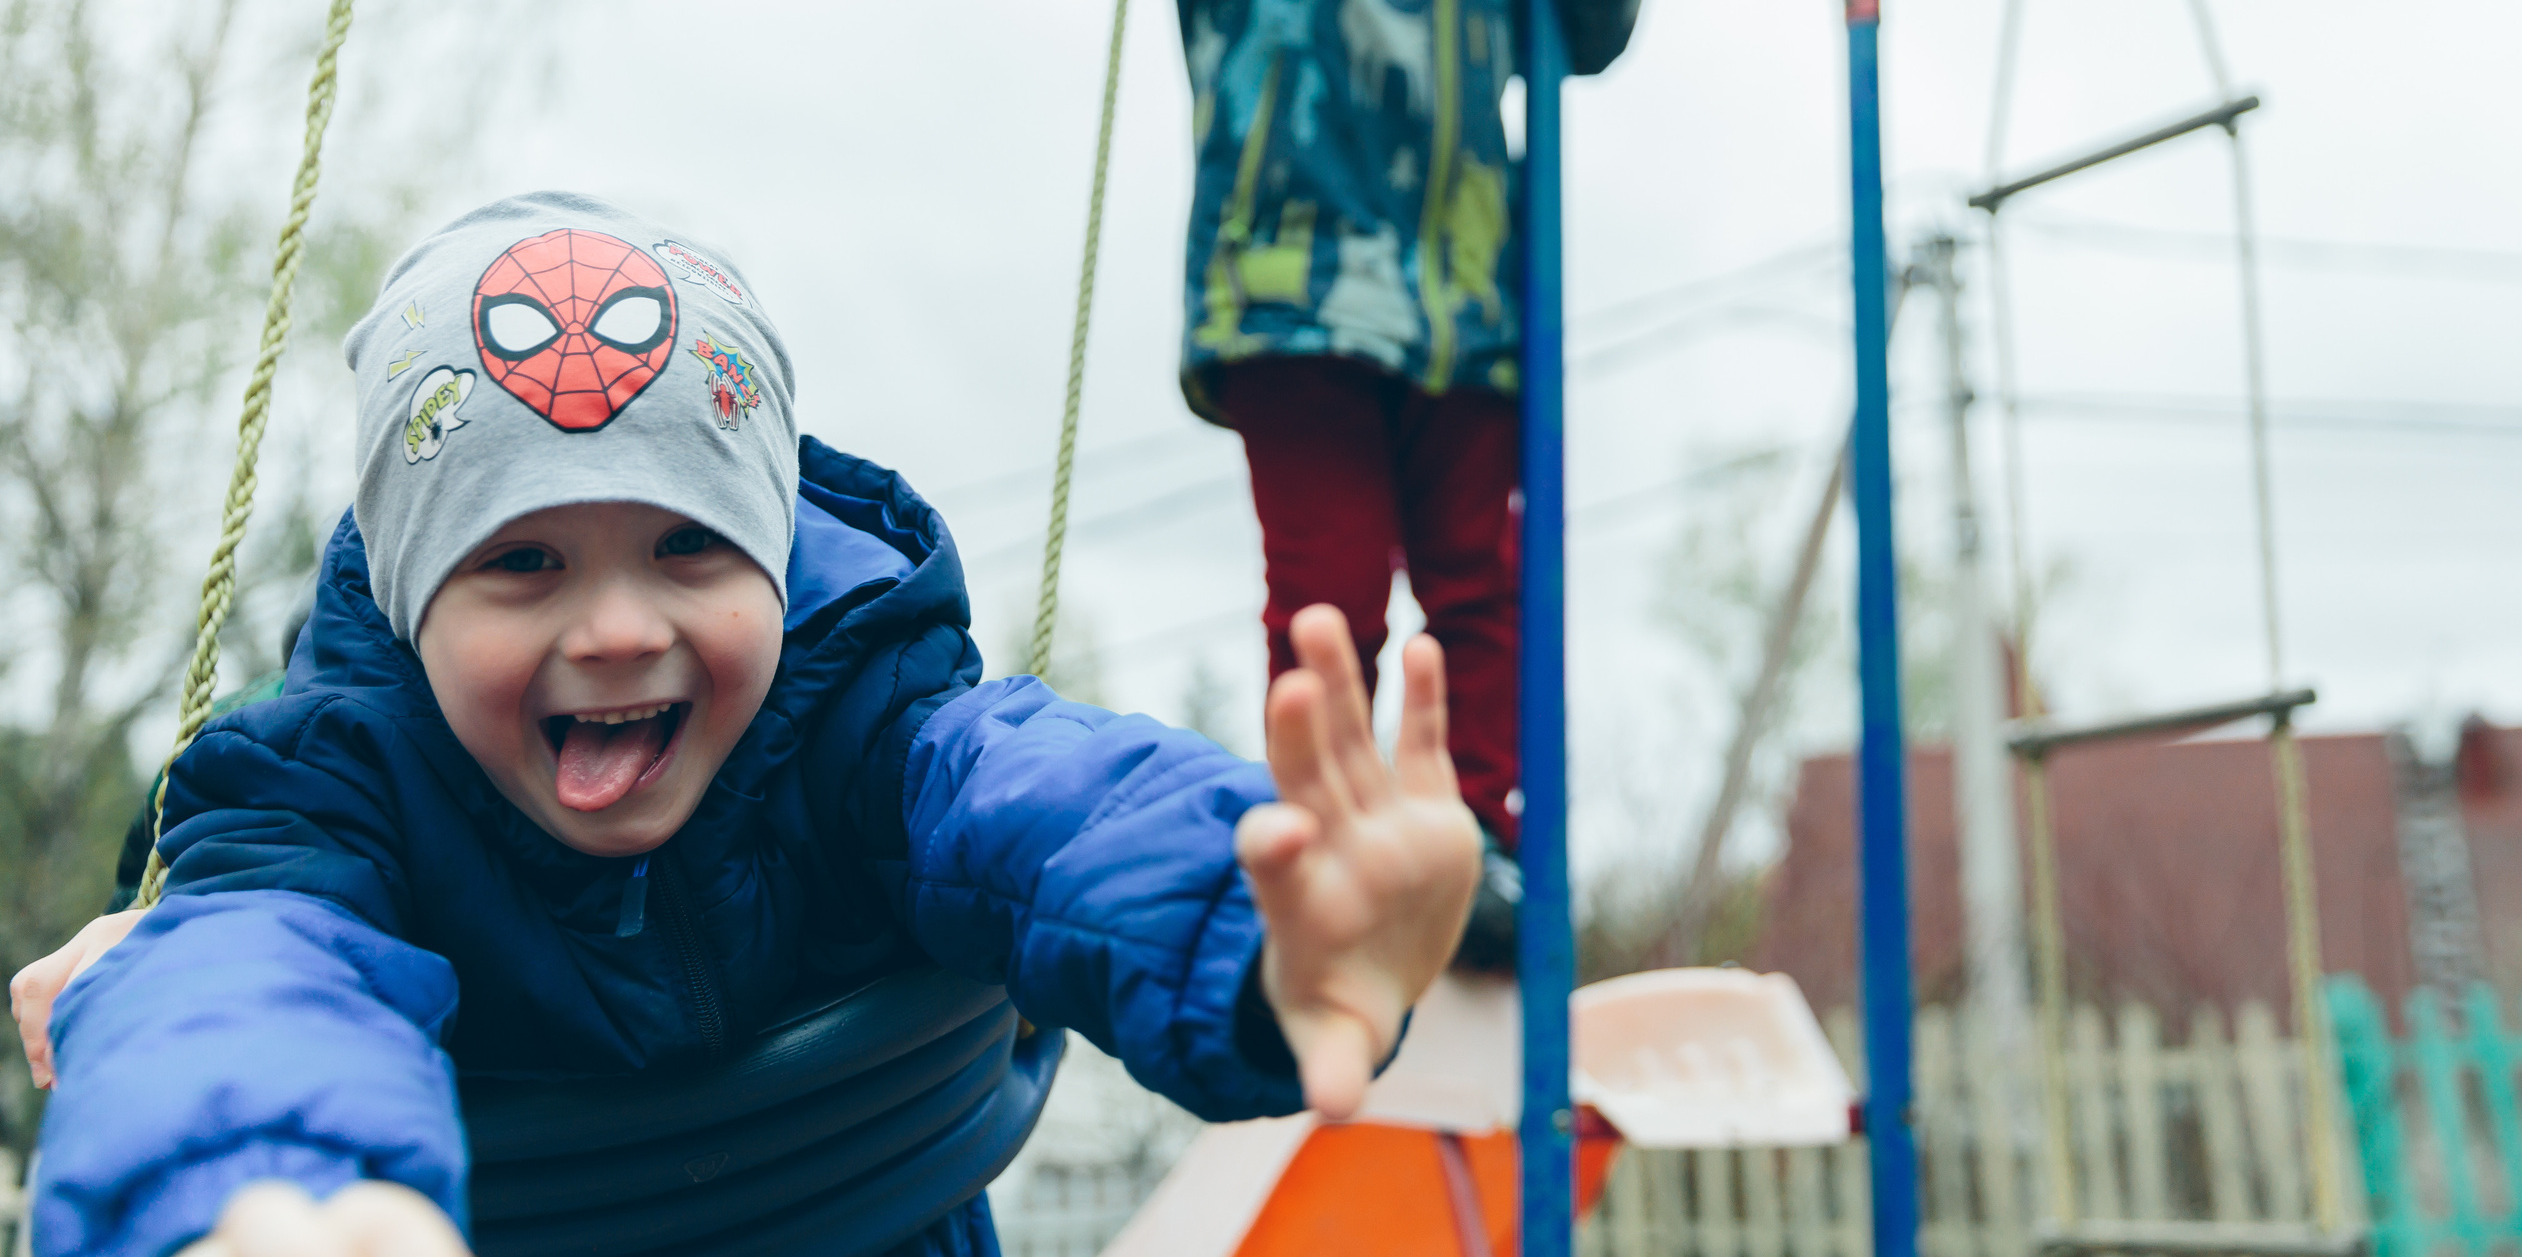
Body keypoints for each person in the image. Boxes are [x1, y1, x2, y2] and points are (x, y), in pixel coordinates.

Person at [8, 192, 1479, 1257]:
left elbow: (1052, 801)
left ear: (775, 563)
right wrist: (265, 1193)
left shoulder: (870, 725)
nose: (619, 627)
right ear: (409, 608)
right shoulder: (333, 790)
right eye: (523, 563)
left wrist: (1255, 912)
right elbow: (253, 977)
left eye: (688, 550)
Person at [1076, 0, 1648, 958]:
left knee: (1480, 583)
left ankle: (1475, 837)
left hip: (1463, 296)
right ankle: (1331, 824)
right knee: (1330, 584)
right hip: (1297, 284)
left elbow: (1582, 31)